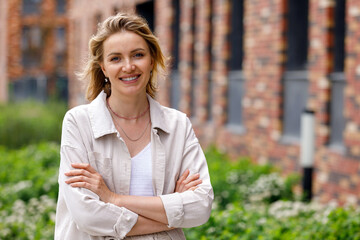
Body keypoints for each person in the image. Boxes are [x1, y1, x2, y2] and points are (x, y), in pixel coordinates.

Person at [54, 12, 213, 239]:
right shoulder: (78, 123)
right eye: (115, 58)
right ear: (103, 68)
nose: (128, 66)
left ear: (152, 60)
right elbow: (87, 216)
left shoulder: (178, 125)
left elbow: (200, 206)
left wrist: (113, 199)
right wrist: (172, 213)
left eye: (137, 55)